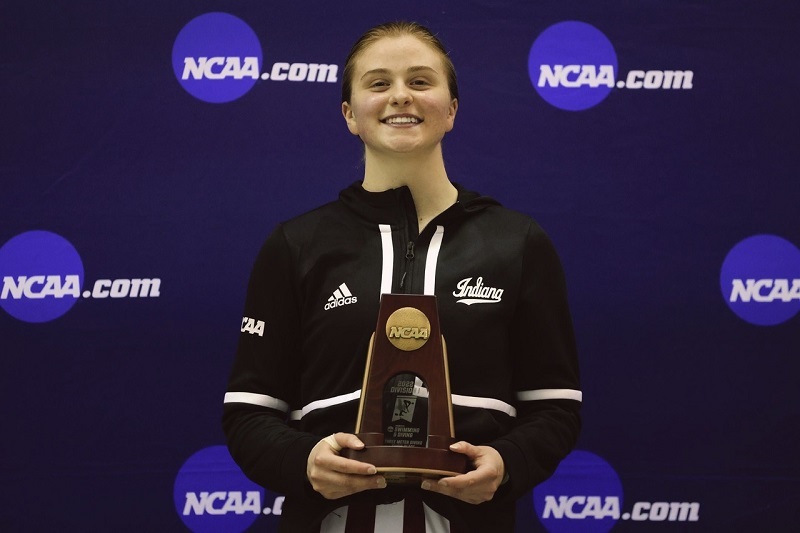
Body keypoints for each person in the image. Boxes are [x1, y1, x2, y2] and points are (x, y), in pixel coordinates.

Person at [223, 21, 581, 532]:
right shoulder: (296, 245)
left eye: (419, 81)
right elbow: (249, 413)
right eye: (377, 83)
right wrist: (304, 461)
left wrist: (507, 465)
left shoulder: (517, 242)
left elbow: (555, 409)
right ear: (349, 114)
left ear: (452, 108)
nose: (399, 97)